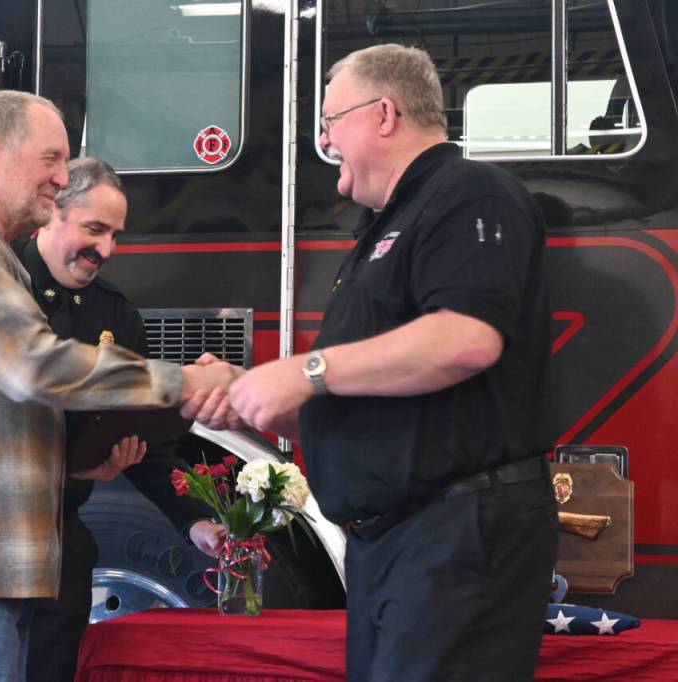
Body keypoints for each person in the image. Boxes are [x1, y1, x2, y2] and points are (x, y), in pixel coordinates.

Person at [191, 44, 558, 681]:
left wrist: (305, 371)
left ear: (384, 113)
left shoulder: (469, 193)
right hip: (394, 546)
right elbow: (371, 398)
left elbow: (466, 341)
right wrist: (255, 394)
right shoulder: (379, 229)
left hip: (455, 537)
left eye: (331, 121)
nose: (324, 140)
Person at [0, 91, 232, 682]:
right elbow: (33, 366)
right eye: (51, 159)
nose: (62, 178)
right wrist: (184, 380)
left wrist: (77, 465)